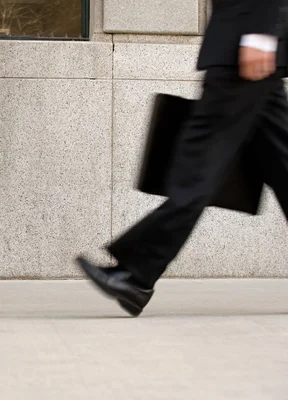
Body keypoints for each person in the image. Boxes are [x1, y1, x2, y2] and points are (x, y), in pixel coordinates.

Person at [76, 0, 288, 317]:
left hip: (243, 46)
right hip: (242, 43)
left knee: (197, 170)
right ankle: (136, 275)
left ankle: (136, 274)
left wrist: (259, 33)